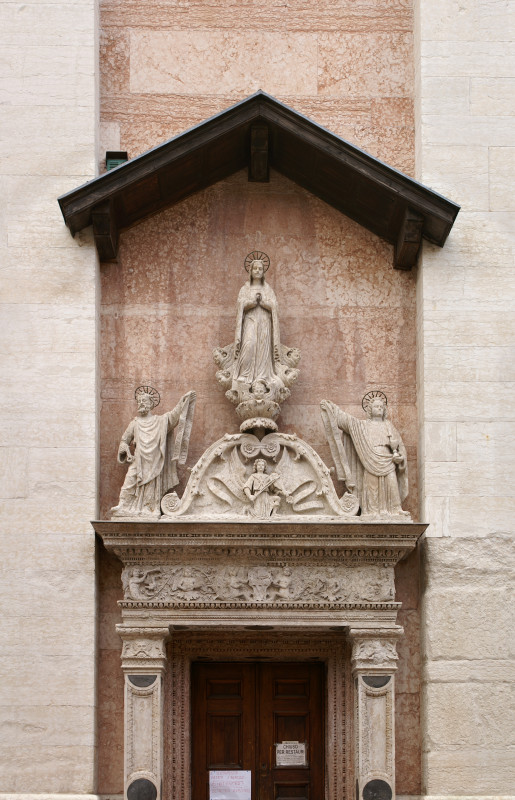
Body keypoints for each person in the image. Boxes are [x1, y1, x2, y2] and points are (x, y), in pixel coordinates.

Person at [320, 393, 410, 520]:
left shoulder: (388, 426)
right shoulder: (362, 426)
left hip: (388, 459)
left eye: (381, 407)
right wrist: (332, 409)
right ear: (370, 410)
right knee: (372, 486)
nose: (379, 408)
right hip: (369, 459)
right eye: (376, 406)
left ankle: (395, 509)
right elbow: (346, 421)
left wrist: (400, 457)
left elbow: (399, 446)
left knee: (392, 483)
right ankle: (371, 512)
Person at [111, 386, 196, 518]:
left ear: (151, 404)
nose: (141, 403)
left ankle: (149, 509)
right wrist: (124, 448)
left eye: (144, 401)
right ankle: (123, 505)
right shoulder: (135, 423)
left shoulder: (160, 421)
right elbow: (124, 440)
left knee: (151, 484)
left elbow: (174, 417)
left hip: (155, 460)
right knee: (130, 480)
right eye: (139, 401)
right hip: (138, 459)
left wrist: (182, 402)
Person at [232, 258, 282, 395]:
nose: (258, 271)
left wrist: (265, 303)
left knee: (263, 348)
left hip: (265, 322)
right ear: (251, 271)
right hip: (250, 321)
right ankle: (245, 376)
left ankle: (262, 377)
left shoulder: (268, 289)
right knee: (249, 344)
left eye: (260, 269)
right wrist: (251, 302)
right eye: (255, 268)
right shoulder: (245, 288)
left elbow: (274, 306)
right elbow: (240, 306)